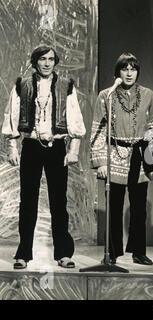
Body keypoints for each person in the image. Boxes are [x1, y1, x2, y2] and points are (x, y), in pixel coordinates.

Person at [1, 44, 86, 269]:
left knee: (59, 202)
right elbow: (12, 114)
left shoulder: (66, 86)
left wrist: (73, 150)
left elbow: (75, 117)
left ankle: (64, 254)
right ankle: (23, 254)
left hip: (56, 147)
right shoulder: (23, 84)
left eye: (51, 59)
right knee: (27, 201)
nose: (47, 63)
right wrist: (11, 147)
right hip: (31, 146)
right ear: (35, 61)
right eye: (43, 59)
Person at [90, 53, 153, 265]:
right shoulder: (106, 95)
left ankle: (139, 252)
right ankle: (112, 253)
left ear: (138, 71)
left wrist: (150, 147)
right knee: (114, 206)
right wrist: (101, 161)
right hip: (114, 154)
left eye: (133, 69)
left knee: (139, 208)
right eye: (125, 69)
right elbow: (98, 129)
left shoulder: (148, 94)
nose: (129, 73)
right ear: (118, 72)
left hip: (139, 155)